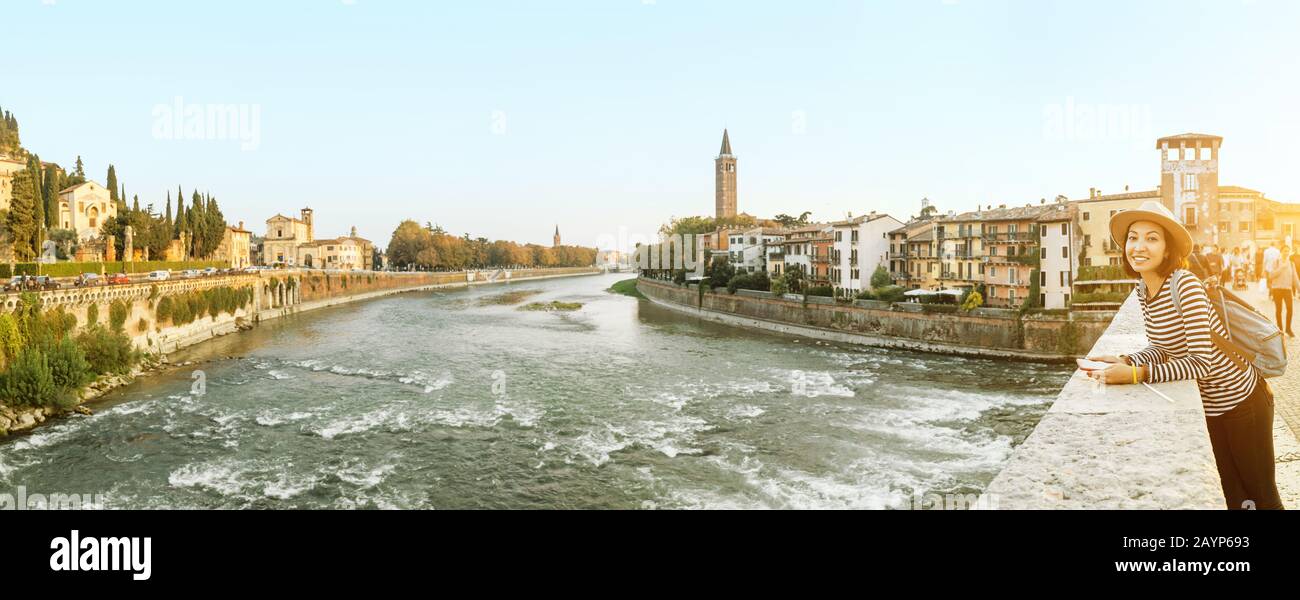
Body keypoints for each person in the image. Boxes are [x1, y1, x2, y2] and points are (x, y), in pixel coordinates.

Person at [1086, 200, 1283, 510]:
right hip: (1211, 408)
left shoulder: (1185, 284)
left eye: (1152, 238)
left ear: (1167, 249)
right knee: (1234, 498)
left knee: (1263, 498)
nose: (1139, 246)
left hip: (1243, 401)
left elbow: (1201, 362)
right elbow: (1163, 348)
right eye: (1133, 237)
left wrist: (1138, 375)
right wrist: (1126, 360)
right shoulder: (1143, 289)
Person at [1268, 245, 1298, 337]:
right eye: (1285, 251)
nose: (1286, 253)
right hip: (1277, 289)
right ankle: (1280, 329)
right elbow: (1271, 275)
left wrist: (1299, 288)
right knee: (1279, 310)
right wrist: (1282, 268)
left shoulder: (1291, 264)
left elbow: (1295, 278)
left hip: (1287, 289)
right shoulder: (1276, 262)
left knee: (1290, 309)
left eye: (1288, 251)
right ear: (1281, 252)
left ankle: (1288, 329)